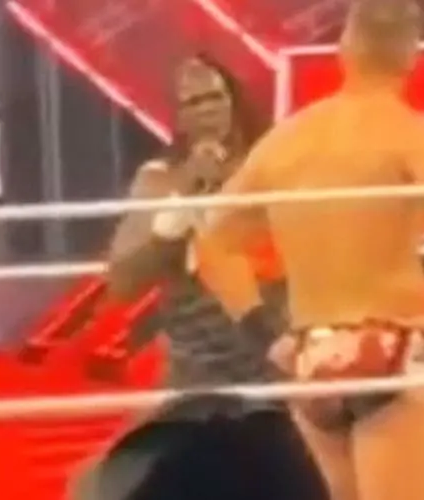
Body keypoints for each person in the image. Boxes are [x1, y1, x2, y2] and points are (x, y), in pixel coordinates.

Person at [202, 1, 424, 499]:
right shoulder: (412, 134)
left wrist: (266, 335)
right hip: (391, 343)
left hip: (313, 354)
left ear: (344, 49)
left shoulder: (285, 142)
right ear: (411, 56)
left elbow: (211, 243)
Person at [73, 54, 326, 500]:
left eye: (215, 97)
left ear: (234, 101)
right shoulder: (160, 180)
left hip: (276, 378)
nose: (207, 110)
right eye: (193, 102)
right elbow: (123, 283)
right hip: (192, 386)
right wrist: (179, 207)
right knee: (95, 486)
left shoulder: (269, 170)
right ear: (178, 117)